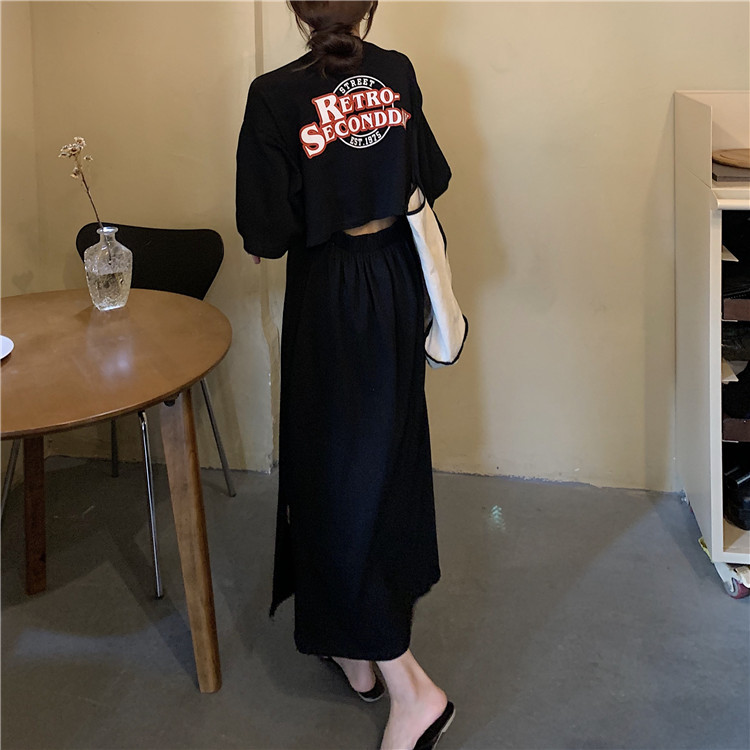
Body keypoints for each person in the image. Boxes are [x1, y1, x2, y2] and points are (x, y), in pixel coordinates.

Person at [236, 3, 455, 748]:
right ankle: (355, 651)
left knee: (335, 479)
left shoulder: (274, 94)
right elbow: (431, 175)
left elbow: (266, 232)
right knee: (380, 464)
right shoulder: (396, 72)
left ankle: (412, 689)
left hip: (331, 293)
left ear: (296, 8)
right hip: (395, 279)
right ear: (368, 3)